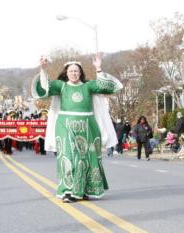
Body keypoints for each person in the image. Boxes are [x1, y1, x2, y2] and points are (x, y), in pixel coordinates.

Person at [31, 54, 123, 203]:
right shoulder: (61, 86)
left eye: (76, 71)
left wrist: (99, 68)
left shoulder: (87, 86)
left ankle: (84, 189)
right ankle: (69, 191)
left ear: (80, 73)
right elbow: (44, 89)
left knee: (87, 158)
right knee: (69, 157)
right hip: (65, 127)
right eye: (71, 71)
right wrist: (43, 68)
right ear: (66, 73)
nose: (73, 73)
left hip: (88, 127)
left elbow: (105, 87)